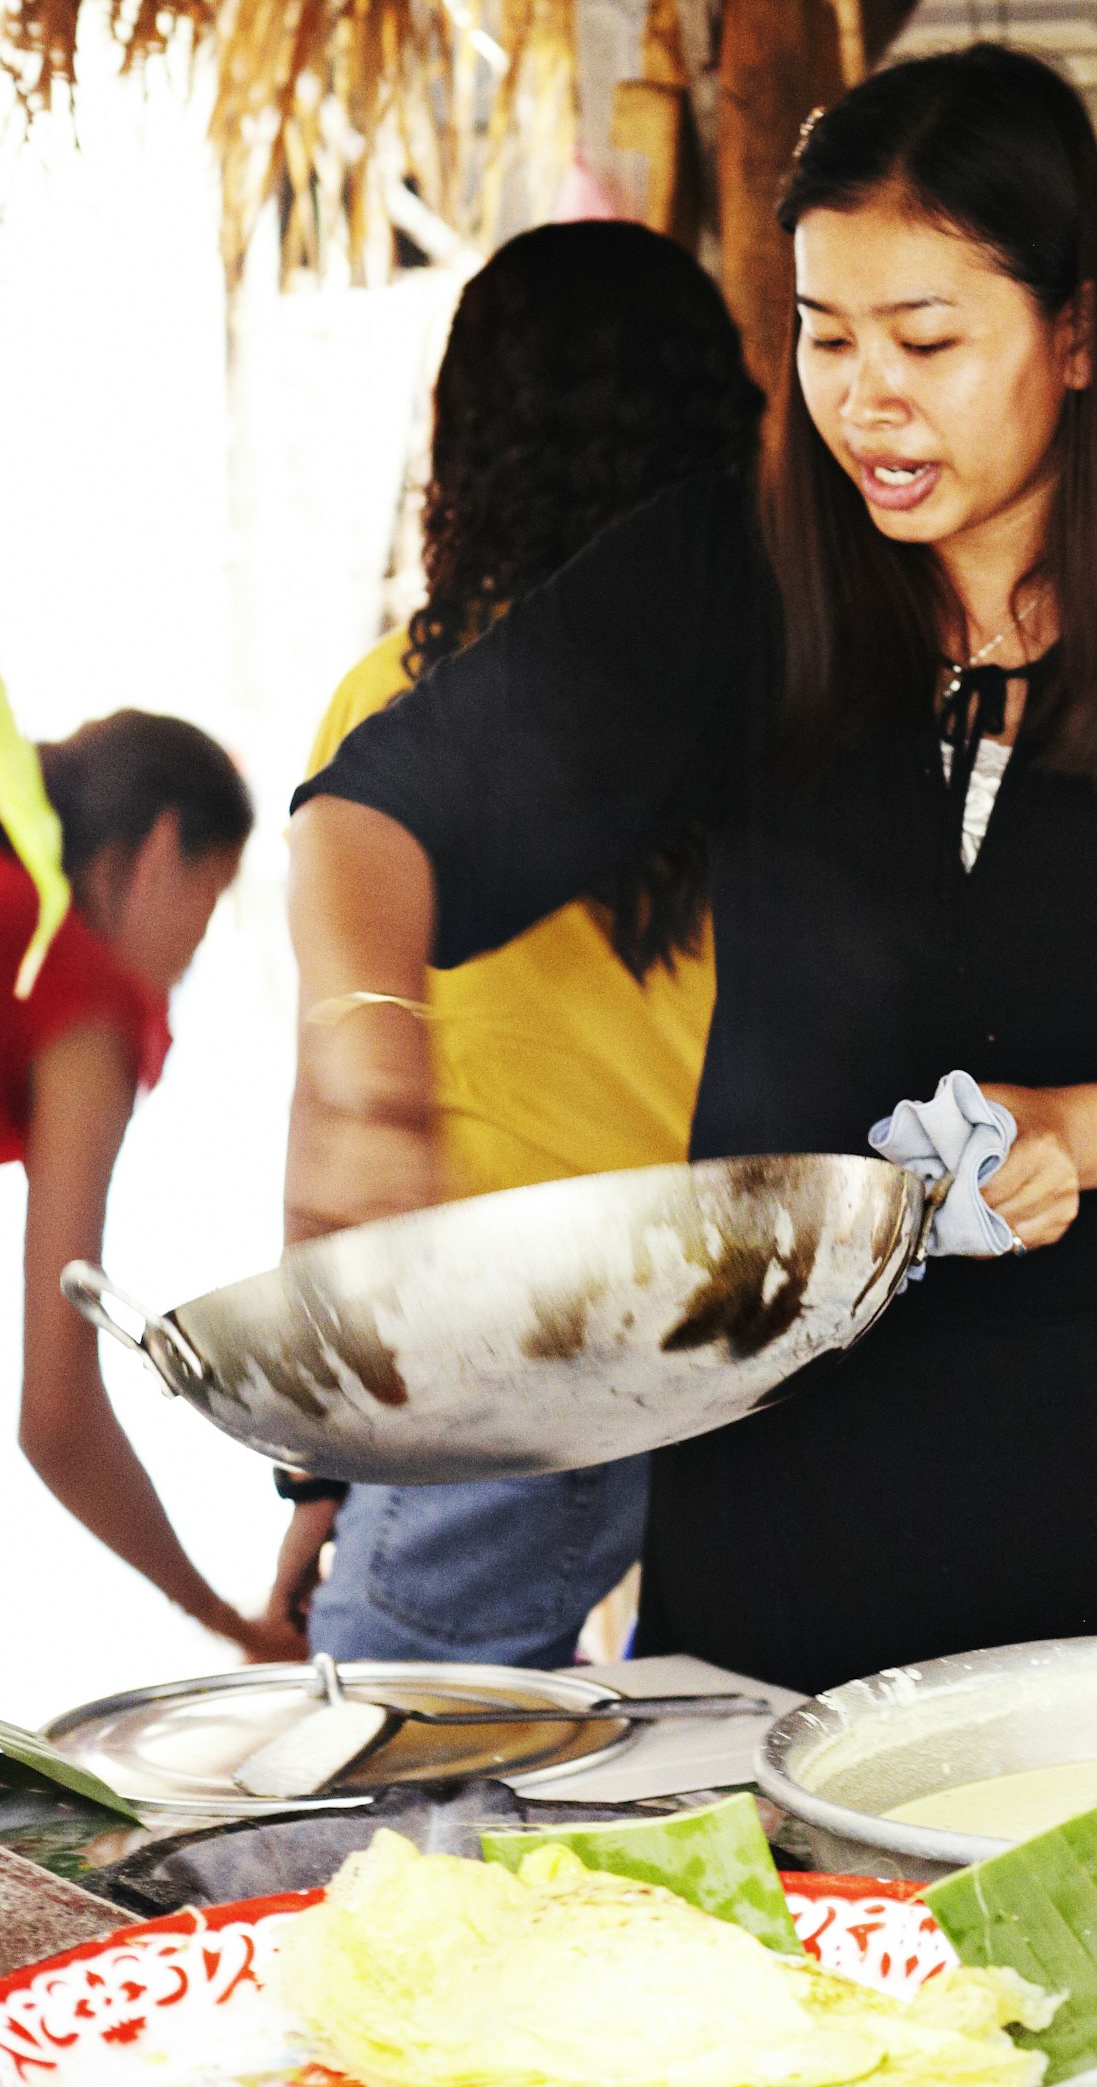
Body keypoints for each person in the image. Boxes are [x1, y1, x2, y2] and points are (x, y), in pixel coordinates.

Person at [286, 45, 1097, 1696]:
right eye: (825, 337)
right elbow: (373, 814)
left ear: (1079, 334)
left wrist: (1089, 1132)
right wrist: (365, 1057)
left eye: (927, 340)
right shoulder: (733, 577)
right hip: (788, 1483)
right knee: (803, 1939)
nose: (866, 397)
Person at [271, 221, 764, 1668]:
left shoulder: (398, 717)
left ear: (468, 436)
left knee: (399, 1778)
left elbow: (335, 1094)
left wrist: (318, 1459)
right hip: (747, 1311)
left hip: (502, 1336)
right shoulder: (774, 696)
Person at [0, 713, 293, 1672]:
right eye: (216, 891)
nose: (203, 937)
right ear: (161, 852)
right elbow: (58, 1420)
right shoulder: (77, 988)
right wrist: (238, 1626)